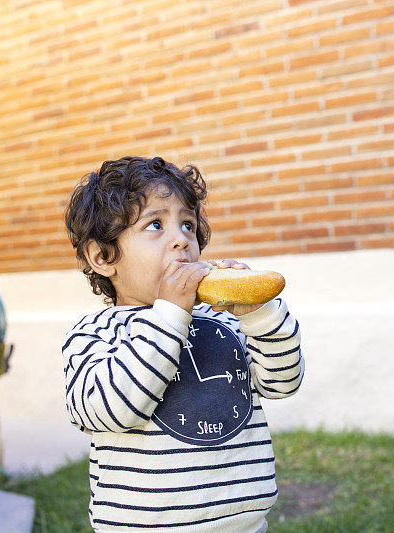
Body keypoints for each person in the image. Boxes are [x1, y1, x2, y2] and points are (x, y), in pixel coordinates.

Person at [62, 156, 304, 532]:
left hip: (245, 524)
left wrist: (259, 313)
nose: (181, 240)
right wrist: (170, 314)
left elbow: (283, 382)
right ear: (103, 256)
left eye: (188, 225)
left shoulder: (225, 319)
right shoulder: (95, 334)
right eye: (155, 225)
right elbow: (108, 411)